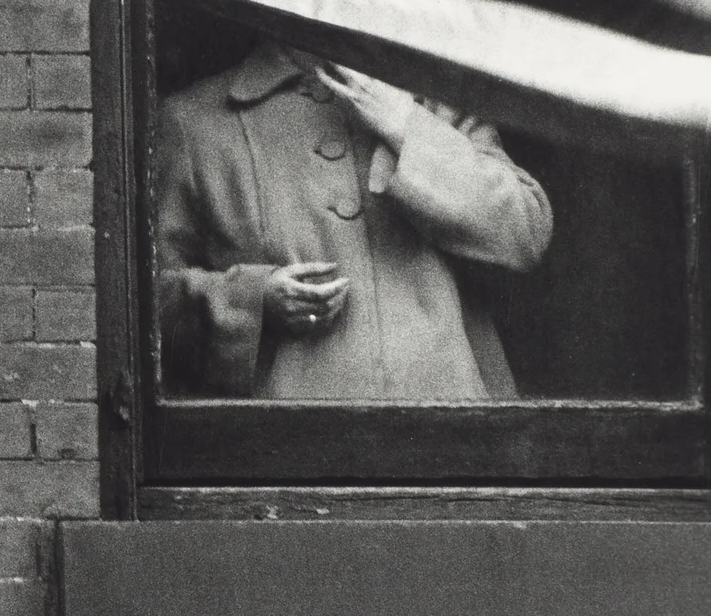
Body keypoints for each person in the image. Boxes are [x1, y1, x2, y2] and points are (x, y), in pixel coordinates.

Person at [154, 40, 552, 399]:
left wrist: (406, 125)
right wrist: (252, 300)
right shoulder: (195, 121)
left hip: (451, 432)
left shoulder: (437, 99)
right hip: (288, 445)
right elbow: (144, 301)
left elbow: (525, 231)